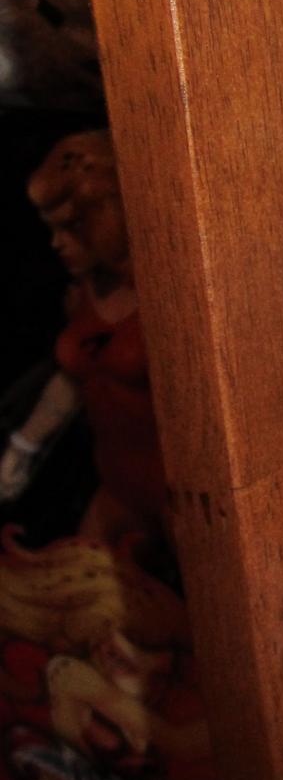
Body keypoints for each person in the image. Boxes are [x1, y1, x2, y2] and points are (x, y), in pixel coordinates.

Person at [0, 129, 166, 550]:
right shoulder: (83, 295)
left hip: (179, 501)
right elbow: (77, 377)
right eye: (53, 228)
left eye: (72, 227)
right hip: (117, 491)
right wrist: (25, 444)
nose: (57, 243)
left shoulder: (166, 298)